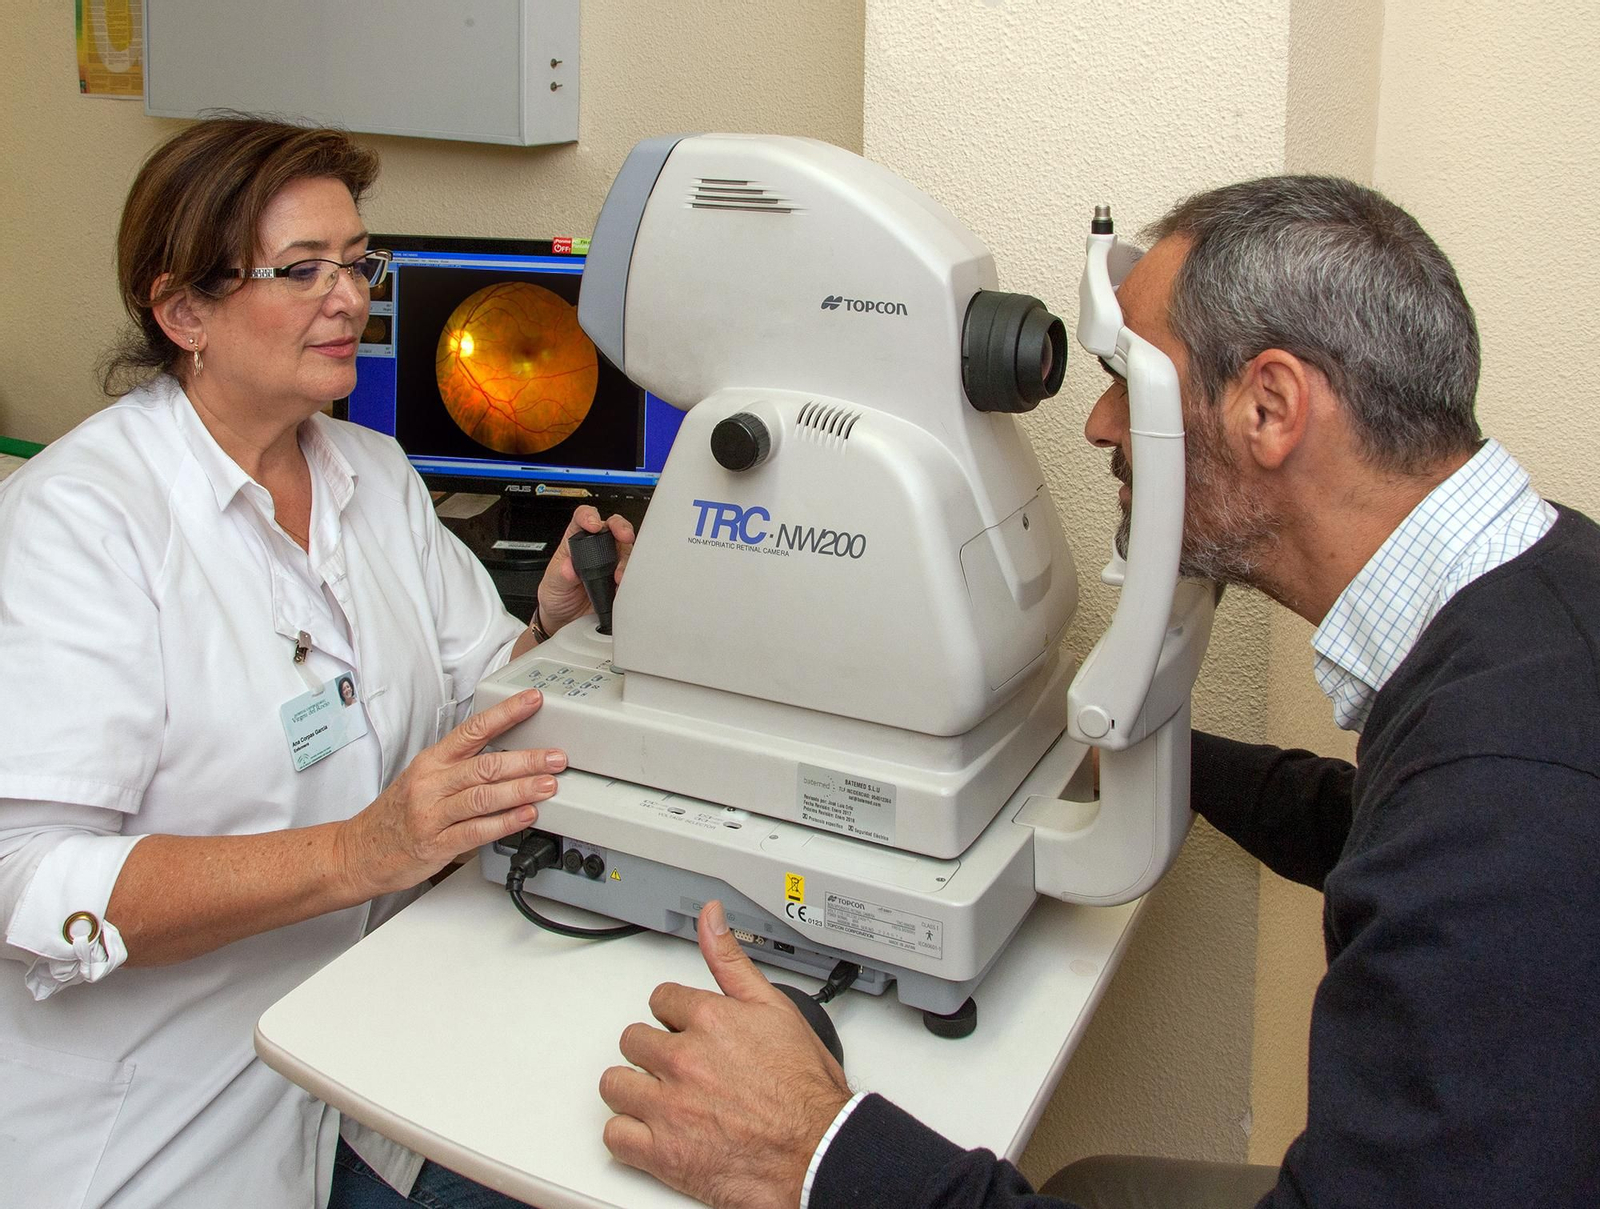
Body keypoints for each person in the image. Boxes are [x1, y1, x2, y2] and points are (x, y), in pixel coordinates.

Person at [594, 175, 1600, 1208]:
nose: (1099, 425)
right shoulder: (1538, 600)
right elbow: (1390, 834)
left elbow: (1468, 846)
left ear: (1270, 406)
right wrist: (1134, 756)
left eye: (1131, 380)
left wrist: (817, 1152)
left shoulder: (1511, 810)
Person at [0, 116, 632, 1208]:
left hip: (371, 1049)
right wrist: (359, 851)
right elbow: (25, 881)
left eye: (357, 262)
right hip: (170, 1110)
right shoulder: (80, 522)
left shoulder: (374, 477)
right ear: (182, 310)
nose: (352, 299)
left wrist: (547, 632)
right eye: (303, 271)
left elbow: (464, 711)